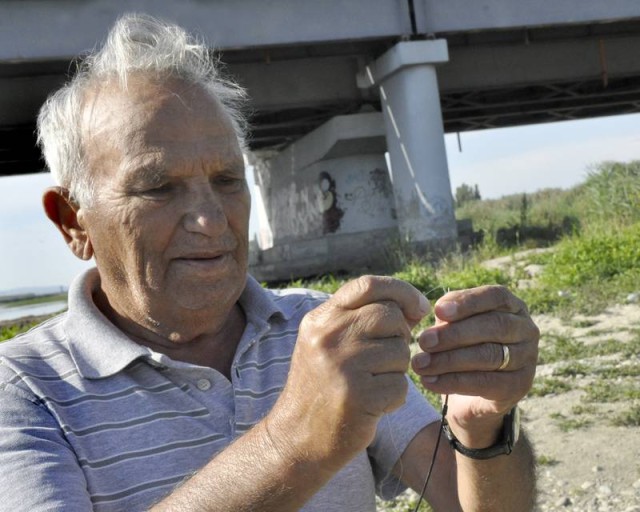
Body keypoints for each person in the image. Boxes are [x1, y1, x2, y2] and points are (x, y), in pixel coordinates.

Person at [0, 13, 539, 512]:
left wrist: (483, 429)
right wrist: (296, 439)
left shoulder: (321, 330)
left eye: (227, 180)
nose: (210, 220)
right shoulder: (24, 390)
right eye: (158, 187)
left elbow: (471, 501)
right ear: (73, 222)